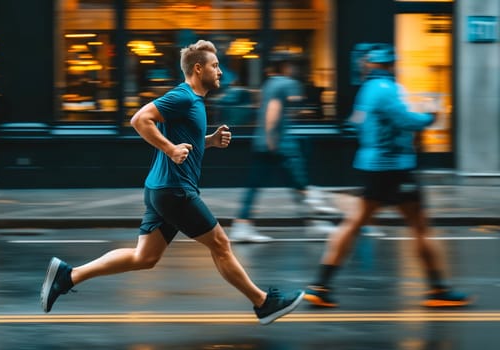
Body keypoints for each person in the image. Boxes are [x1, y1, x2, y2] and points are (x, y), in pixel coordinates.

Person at [40, 40, 305, 325]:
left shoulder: (194, 102)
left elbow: (185, 142)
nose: (220, 72)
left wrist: (210, 142)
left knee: (145, 257)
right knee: (220, 244)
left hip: (161, 189)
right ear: (198, 68)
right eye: (215, 66)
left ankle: (68, 276)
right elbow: (140, 119)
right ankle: (263, 303)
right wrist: (170, 149)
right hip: (175, 190)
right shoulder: (183, 97)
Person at [303, 44, 471, 308]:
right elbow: (405, 120)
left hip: (374, 167)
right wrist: (430, 117)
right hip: (394, 168)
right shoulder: (386, 89)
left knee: (354, 223)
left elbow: (357, 123)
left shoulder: (367, 90)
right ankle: (438, 288)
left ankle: (321, 284)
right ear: (391, 65)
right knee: (420, 226)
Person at [229, 52, 337, 243]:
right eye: (290, 65)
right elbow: (273, 110)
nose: (293, 68)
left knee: (257, 185)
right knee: (298, 183)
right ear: (285, 66)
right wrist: (272, 140)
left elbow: (261, 106)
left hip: (263, 142)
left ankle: (242, 225)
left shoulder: (269, 83)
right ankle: (315, 218)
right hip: (278, 145)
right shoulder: (284, 84)